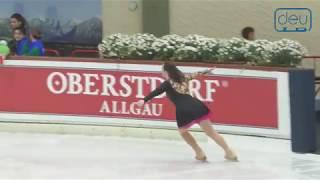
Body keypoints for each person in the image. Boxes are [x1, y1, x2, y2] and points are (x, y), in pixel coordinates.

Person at [137, 63, 238, 161]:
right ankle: (229, 152)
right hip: (197, 105)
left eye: (162, 70)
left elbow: (156, 91)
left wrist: (144, 100)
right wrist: (206, 71)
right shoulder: (183, 78)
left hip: (184, 109)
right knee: (211, 132)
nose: (161, 72)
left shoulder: (167, 83)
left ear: (166, 72)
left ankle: (199, 153)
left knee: (183, 132)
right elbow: (196, 74)